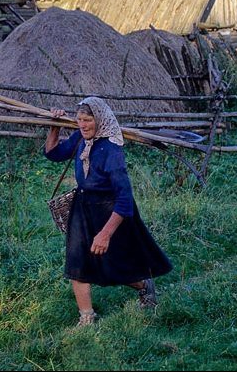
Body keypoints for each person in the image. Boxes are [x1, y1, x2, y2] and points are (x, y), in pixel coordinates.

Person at [44, 96, 173, 326]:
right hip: (83, 207)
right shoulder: (80, 138)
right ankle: (87, 318)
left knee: (113, 265)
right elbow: (53, 154)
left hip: (110, 211)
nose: (83, 125)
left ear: (100, 120)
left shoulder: (112, 151)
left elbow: (124, 199)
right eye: (79, 119)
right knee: (77, 263)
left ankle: (144, 286)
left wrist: (105, 233)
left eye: (88, 120)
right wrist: (54, 125)